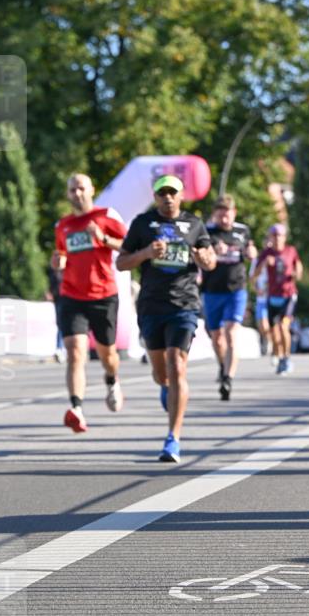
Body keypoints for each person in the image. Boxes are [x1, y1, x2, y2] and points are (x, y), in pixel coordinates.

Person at [116, 174, 216, 463]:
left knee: (177, 365)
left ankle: (173, 438)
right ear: (156, 197)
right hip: (151, 305)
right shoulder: (142, 224)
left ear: (182, 195)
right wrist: (146, 252)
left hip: (184, 304)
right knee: (162, 373)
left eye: (173, 193)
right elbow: (121, 263)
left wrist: (204, 259)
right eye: (162, 193)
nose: (168, 198)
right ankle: (166, 387)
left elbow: (209, 260)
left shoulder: (195, 225)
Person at [52, 173, 127, 432]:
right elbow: (62, 255)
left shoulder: (107, 215)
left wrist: (104, 238)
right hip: (72, 295)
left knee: (108, 355)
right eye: (72, 190)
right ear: (68, 194)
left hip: (104, 295)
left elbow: (128, 248)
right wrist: (57, 263)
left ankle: (112, 379)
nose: (77, 194)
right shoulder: (62, 225)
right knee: (75, 352)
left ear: (92, 189)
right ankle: (76, 408)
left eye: (81, 188)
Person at [201, 194, 257, 400]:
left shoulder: (242, 230)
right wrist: (213, 250)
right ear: (215, 215)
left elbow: (251, 249)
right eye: (220, 215)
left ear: (234, 214)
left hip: (236, 289)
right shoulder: (207, 232)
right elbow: (199, 253)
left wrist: (251, 252)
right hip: (212, 289)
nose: (224, 220)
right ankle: (222, 365)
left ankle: (228, 379)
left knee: (232, 333)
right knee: (217, 337)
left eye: (228, 215)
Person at [252, 224, 303, 376]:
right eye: (273, 235)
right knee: (273, 332)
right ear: (270, 237)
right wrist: (263, 266)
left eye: (279, 235)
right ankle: (280, 356)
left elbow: (299, 270)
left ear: (284, 237)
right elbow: (254, 275)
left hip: (288, 295)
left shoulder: (291, 251)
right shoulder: (266, 253)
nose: (276, 238)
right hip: (272, 296)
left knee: (283, 327)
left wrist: (295, 274)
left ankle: (286, 358)